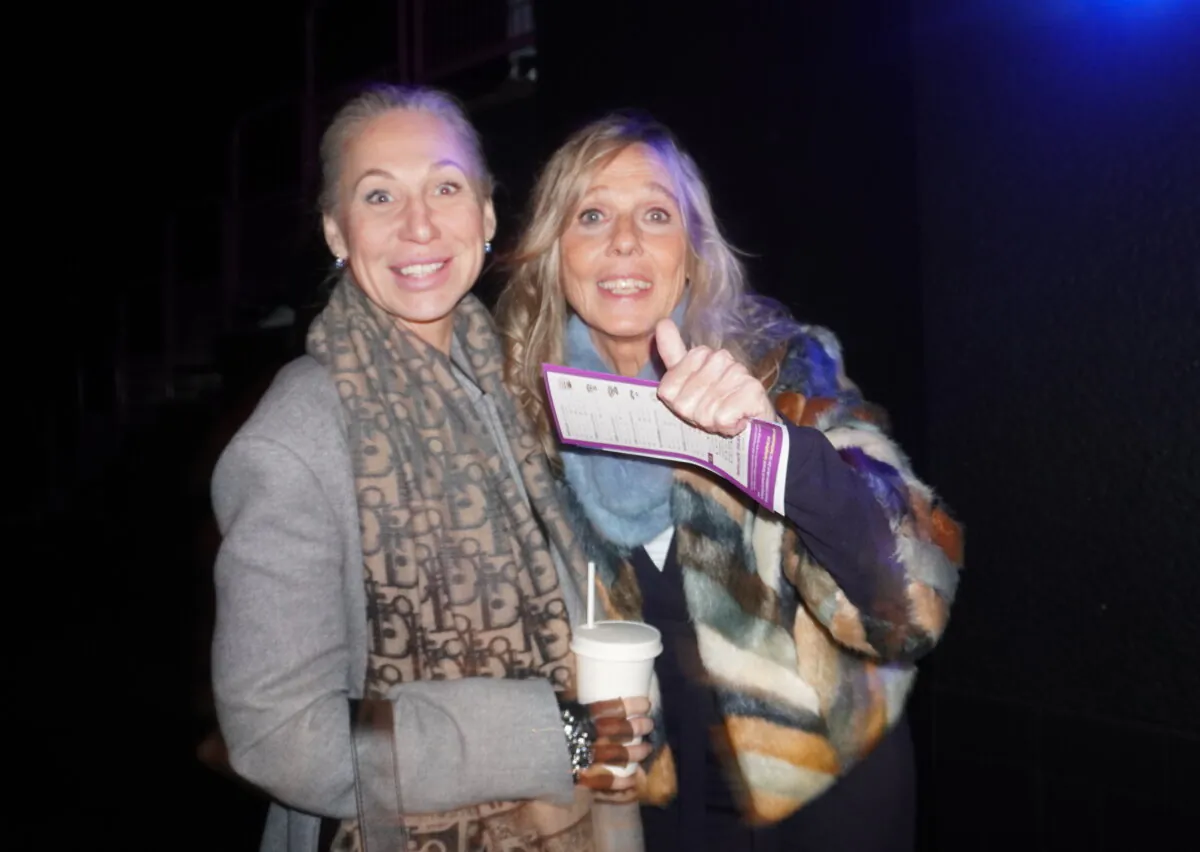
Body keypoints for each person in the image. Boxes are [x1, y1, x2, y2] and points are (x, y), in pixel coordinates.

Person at [496, 113, 964, 852]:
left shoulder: (784, 371)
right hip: (655, 821)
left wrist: (770, 453)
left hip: (831, 803)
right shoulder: (523, 425)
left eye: (655, 213)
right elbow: (519, 658)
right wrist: (582, 754)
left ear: (691, 253)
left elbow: (913, 605)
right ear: (556, 253)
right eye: (592, 214)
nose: (624, 239)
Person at [210, 85, 654, 852]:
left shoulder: (518, 390)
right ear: (335, 232)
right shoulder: (295, 439)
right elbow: (279, 736)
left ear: (485, 217)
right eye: (378, 196)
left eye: (445, 188)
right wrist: (560, 736)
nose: (418, 225)